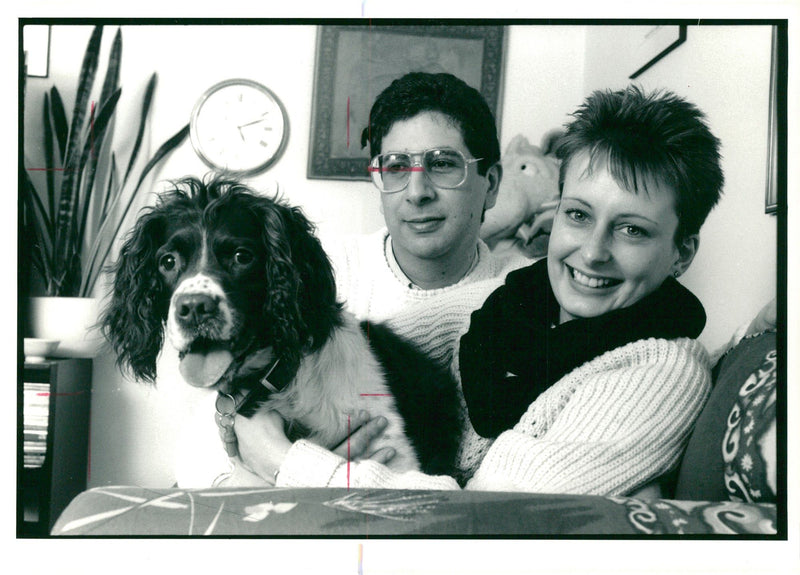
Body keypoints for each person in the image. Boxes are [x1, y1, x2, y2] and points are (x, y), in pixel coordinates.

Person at [226, 85, 725, 496]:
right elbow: (324, 367)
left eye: (632, 229)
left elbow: (482, 514)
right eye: (578, 215)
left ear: (682, 252)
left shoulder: (663, 370)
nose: (592, 252)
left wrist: (288, 462)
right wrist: (258, 425)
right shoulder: (511, 299)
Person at [177, 72, 527, 488]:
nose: (417, 191)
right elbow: (202, 458)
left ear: (492, 185)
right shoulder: (311, 274)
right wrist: (300, 466)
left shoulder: (529, 299)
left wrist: (304, 466)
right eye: (396, 167)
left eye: (443, 164)